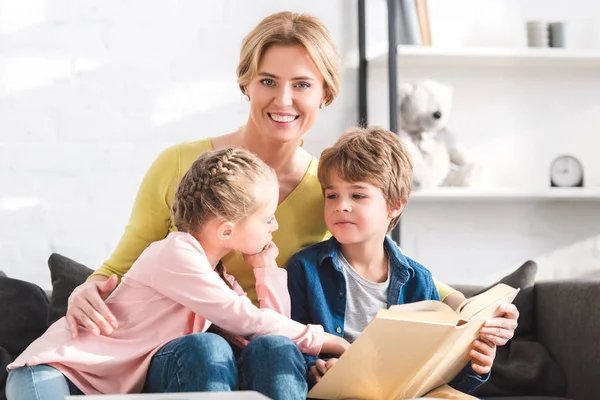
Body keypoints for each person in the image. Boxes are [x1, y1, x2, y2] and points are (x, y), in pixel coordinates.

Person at [63, 10, 518, 397]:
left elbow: (389, 263)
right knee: (209, 348)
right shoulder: (181, 163)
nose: (283, 100)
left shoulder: (330, 185)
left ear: (325, 94)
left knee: (277, 349)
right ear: (246, 84)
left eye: (302, 84)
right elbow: (122, 265)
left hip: (275, 348)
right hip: (187, 350)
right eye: (267, 81)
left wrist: (476, 310)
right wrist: (88, 287)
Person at [6, 148, 350, 399]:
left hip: (106, 385)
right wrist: (329, 340)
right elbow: (246, 318)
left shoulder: (216, 276)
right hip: (54, 372)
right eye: (267, 218)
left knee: (244, 344)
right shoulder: (175, 252)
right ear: (227, 232)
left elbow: (267, 335)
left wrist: (265, 269)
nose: (274, 225)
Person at [287, 126, 496, 393]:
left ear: (395, 204)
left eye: (358, 195)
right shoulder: (305, 269)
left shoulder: (418, 280)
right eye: (332, 195)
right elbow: (297, 344)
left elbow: (439, 374)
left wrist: (478, 365)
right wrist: (316, 367)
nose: (341, 205)